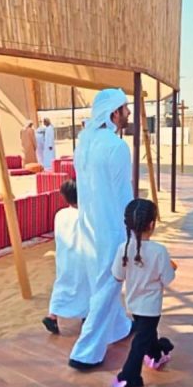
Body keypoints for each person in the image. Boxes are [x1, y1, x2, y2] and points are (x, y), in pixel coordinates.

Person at [68, 88, 134, 370]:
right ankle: (85, 352)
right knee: (108, 284)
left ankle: (119, 327)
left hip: (88, 225)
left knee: (101, 282)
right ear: (114, 113)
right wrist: (133, 229)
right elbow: (123, 194)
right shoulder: (116, 147)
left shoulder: (83, 143)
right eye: (125, 108)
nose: (129, 113)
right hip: (109, 227)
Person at [110, 199, 176, 387]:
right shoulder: (159, 251)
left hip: (133, 303)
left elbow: (117, 276)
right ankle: (127, 380)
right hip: (151, 307)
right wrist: (171, 268)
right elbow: (168, 279)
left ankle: (156, 356)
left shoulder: (124, 248)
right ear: (152, 224)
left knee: (146, 334)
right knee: (140, 342)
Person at [42, 179, 89, 334]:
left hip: (64, 256)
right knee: (85, 286)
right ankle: (86, 315)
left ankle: (53, 315)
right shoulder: (86, 216)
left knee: (62, 284)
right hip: (83, 257)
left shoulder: (60, 214)